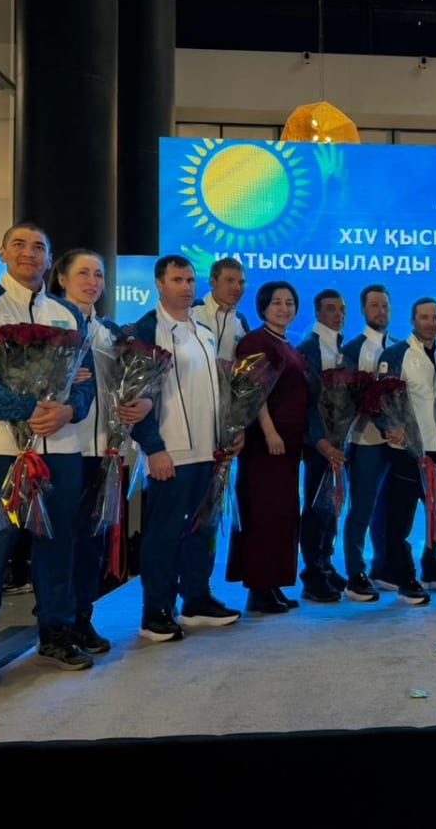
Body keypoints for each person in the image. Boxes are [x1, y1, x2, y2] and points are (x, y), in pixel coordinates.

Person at [0, 222, 96, 689]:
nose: (29, 254)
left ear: (49, 261)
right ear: (1, 253)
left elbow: (88, 383)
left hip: (62, 449)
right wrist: (28, 409)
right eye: (19, 245)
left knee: (60, 547)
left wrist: (70, 410)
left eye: (39, 247)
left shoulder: (67, 314)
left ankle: (56, 633)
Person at [131, 254, 244, 641]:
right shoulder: (147, 329)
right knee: (164, 534)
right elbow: (135, 396)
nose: (187, 287)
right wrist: (154, 448)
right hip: (171, 453)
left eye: (191, 280)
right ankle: (155, 611)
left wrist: (228, 433)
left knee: (203, 529)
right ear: (159, 284)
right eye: (178, 280)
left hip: (208, 452)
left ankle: (196, 598)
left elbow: (213, 390)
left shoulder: (203, 329)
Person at [52, 248, 154, 652]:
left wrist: (141, 401)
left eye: (98, 274)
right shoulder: (50, 323)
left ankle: (81, 616)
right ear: (61, 278)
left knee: (92, 538)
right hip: (61, 446)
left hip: (103, 449)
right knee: (62, 540)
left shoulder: (111, 332)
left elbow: (133, 383)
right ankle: (56, 621)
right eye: (83, 273)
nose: (92, 281)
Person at [227, 281, 310, 613]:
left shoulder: (289, 343)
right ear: (262, 306)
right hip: (266, 444)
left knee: (282, 515)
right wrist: (270, 431)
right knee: (262, 514)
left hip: (289, 446)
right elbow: (252, 392)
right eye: (277, 302)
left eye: (290, 302)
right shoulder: (255, 341)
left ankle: (272, 583)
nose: (284, 308)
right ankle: (258, 588)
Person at [374, 296, 436, 605]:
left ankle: (432, 564)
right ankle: (405, 579)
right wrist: (388, 428)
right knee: (400, 518)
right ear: (412, 321)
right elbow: (378, 399)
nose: (430, 323)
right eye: (424, 317)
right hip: (405, 451)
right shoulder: (396, 353)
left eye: (435, 317)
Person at [340, 284, 394, 601]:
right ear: (363, 309)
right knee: (361, 507)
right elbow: (349, 399)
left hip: (396, 441)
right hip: (365, 440)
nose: (380, 311)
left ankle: (382, 566)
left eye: (385, 305)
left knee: (387, 507)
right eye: (374, 305)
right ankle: (354, 573)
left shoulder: (399, 346)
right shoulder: (353, 349)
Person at [295, 288, 350, 602]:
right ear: (317, 313)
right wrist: (322, 441)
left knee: (332, 506)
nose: (337, 314)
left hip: (339, 441)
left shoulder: (344, 345)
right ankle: (312, 574)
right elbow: (310, 403)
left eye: (341, 309)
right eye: (330, 309)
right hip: (319, 444)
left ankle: (326, 564)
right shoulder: (307, 349)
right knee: (316, 508)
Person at [194, 257, 250, 361]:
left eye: (241, 282)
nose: (237, 287)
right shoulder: (190, 311)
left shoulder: (241, 322)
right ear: (212, 282)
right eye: (230, 280)